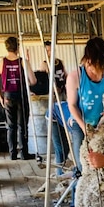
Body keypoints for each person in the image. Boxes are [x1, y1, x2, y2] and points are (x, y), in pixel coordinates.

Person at [65, 37, 104, 174]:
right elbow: (72, 105)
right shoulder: (75, 77)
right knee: (82, 163)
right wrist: (83, 126)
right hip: (82, 122)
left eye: (99, 64)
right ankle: (78, 183)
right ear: (87, 59)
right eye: (91, 63)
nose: (95, 68)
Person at [0, 36, 37, 160]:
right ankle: (24, 153)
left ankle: (12, 154)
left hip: (8, 97)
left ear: (7, 47)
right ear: (18, 47)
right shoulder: (23, 61)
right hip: (21, 95)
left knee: (11, 126)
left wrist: (1, 98)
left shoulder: (1, 63)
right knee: (22, 126)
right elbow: (33, 81)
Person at [40, 40, 70, 175]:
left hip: (62, 92)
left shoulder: (59, 62)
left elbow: (65, 74)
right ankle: (60, 170)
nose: (49, 52)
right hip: (52, 94)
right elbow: (43, 80)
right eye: (47, 50)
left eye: (51, 49)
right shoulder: (45, 63)